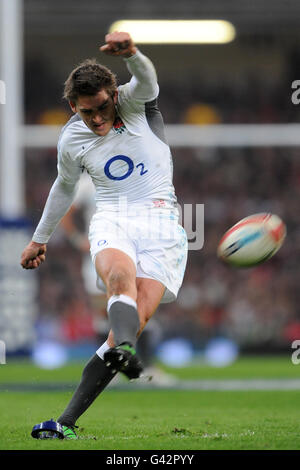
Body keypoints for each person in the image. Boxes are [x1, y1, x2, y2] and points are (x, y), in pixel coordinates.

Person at [21, 31, 188, 440]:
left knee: (133, 322)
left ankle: (70, 416)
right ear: (72, 107)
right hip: (112, 215)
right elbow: (63, 188)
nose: (95, 120)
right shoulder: (72, 140)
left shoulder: (135, 103)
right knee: (118, 278)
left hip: (163, 223)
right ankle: (122, 355)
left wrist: (132, 54)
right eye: (84, 113)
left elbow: (148, 80)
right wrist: (40, 238)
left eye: (99, 108)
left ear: (113, 94)